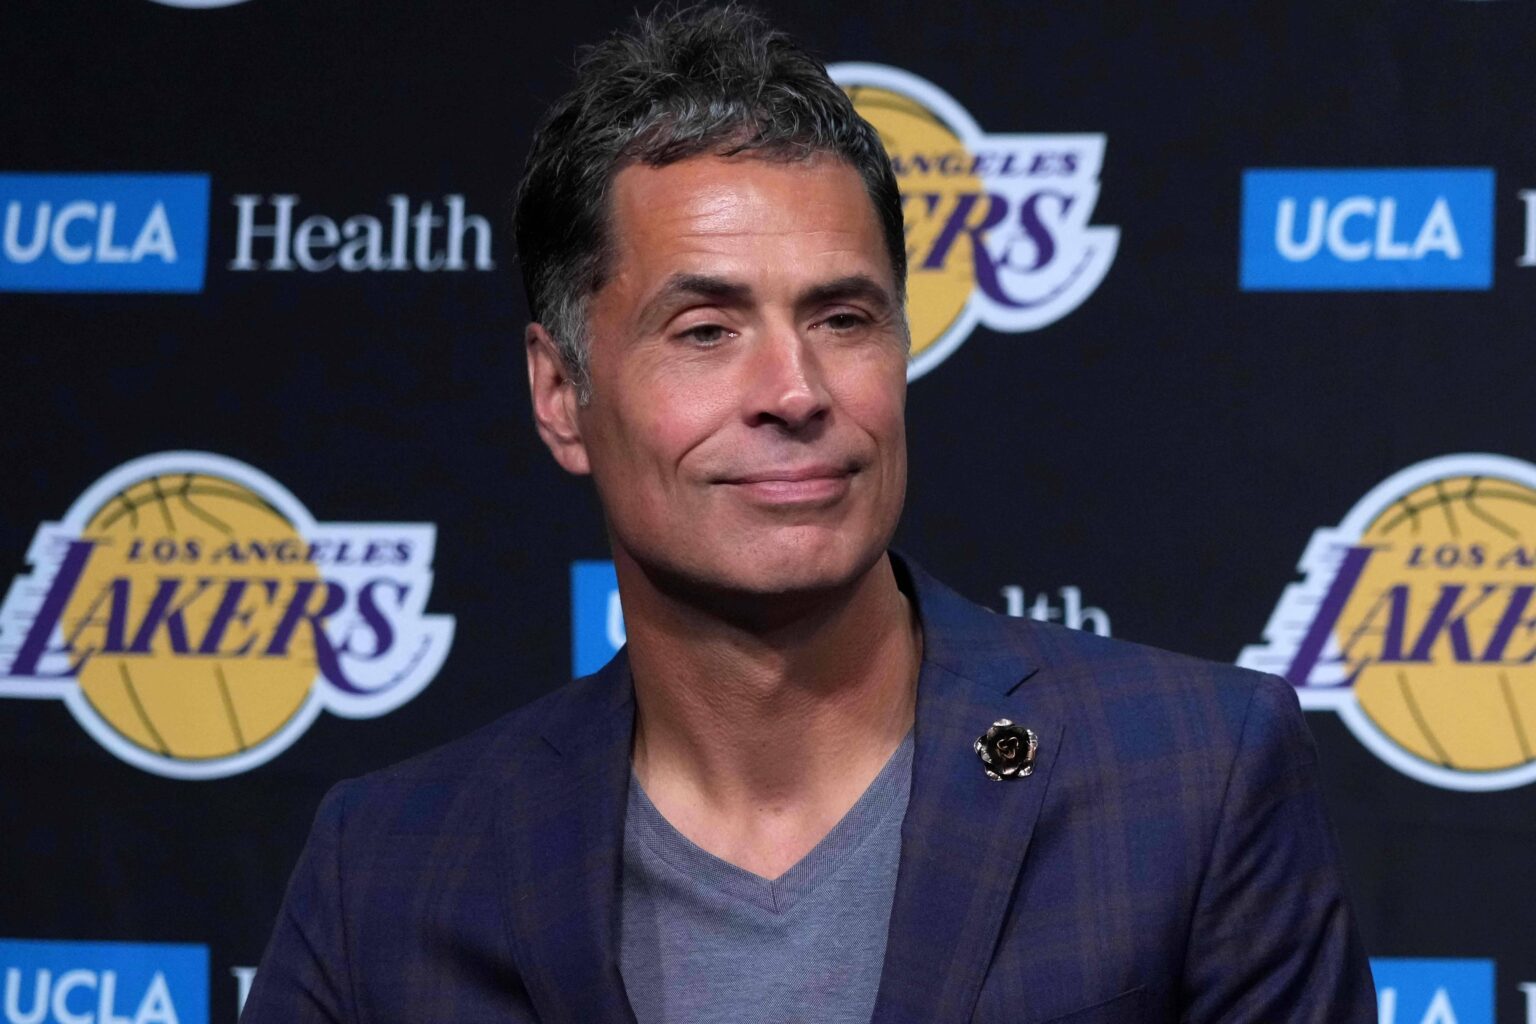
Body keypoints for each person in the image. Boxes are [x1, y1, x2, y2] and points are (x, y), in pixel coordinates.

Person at [241, 5, 1376, 1022]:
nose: (795, 391)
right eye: (705, 331)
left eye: (843, 319)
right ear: (559, 393)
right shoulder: (385, 870)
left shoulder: (1192, 778)